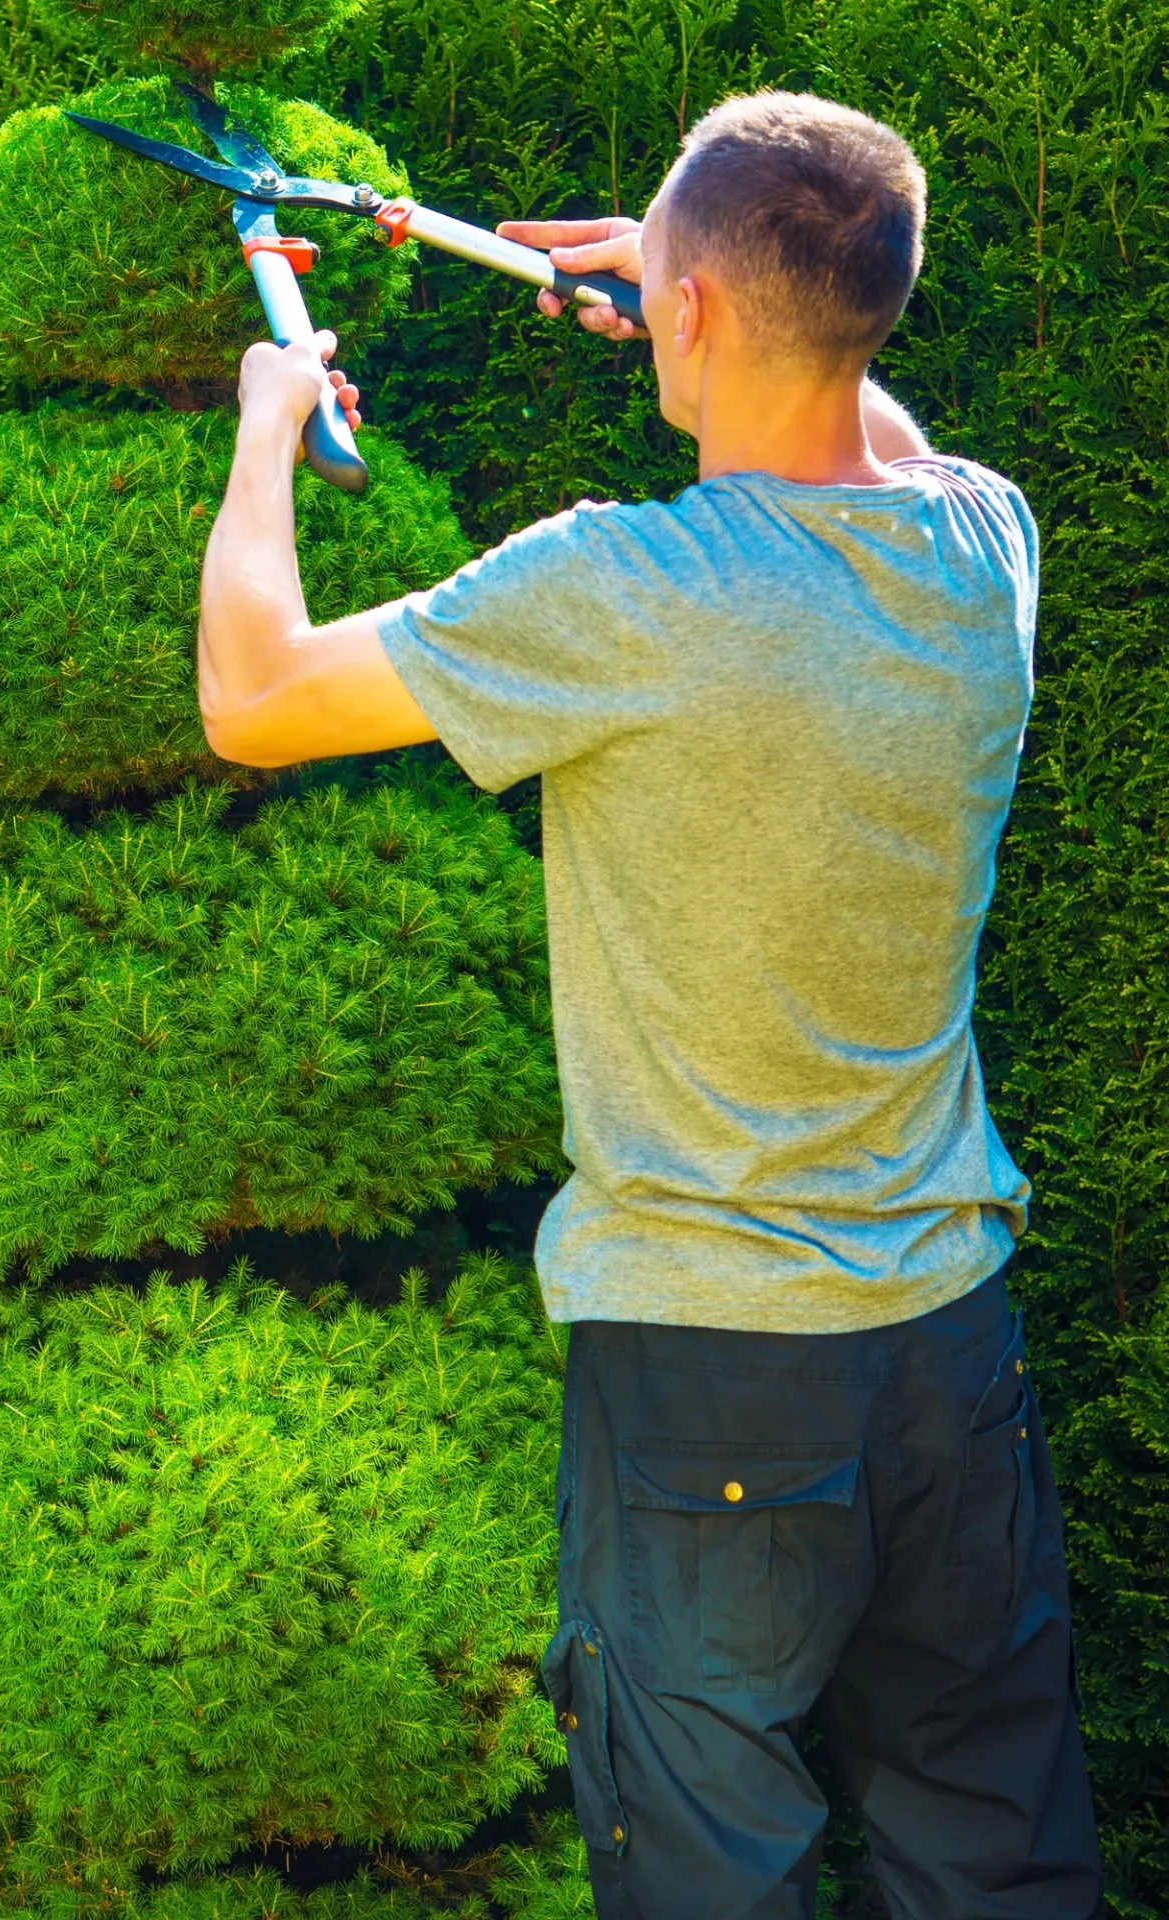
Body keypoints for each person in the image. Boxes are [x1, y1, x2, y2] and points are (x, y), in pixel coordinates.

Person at [196, 88, 1102, 1920]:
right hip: (949, 1346)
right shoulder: (983, 548)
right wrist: (706, 294)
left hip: (706, 1377)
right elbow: (866, 433)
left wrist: (269, 426)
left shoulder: (627, 590)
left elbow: (256, 694)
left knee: (706, 1873)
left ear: (690, 308)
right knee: (992, 1857)